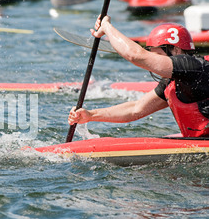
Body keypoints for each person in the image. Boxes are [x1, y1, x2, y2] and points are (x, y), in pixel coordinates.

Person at [68, 15, 209, 138]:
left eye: (157, 55)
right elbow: (135, 109)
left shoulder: (194, 67)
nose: (153, 61)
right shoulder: (172, 82)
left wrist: (106, 27)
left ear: (176, 50)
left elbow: (136, 55)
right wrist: (91, 115)